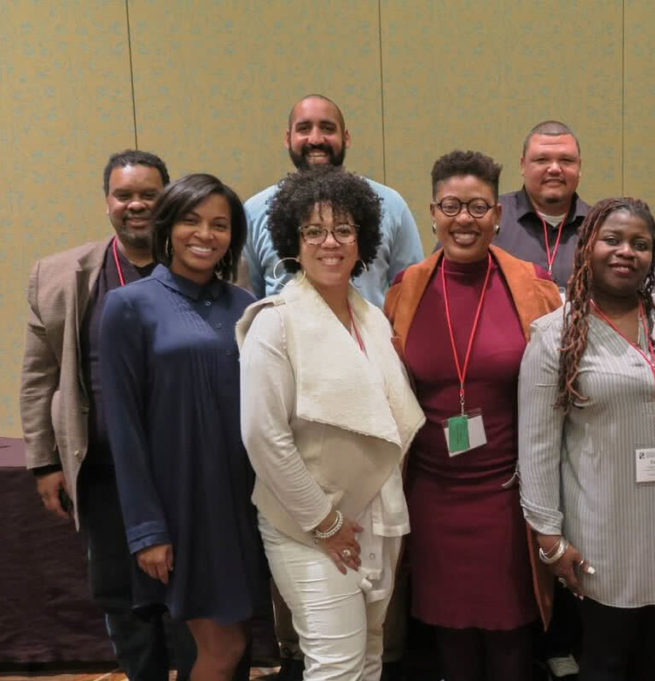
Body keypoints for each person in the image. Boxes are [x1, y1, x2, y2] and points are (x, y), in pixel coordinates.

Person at [518, 197, 655, 681]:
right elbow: (537, 446)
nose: (627, 252)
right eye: (613, 240)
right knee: (604, 659)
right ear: (587, 248)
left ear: (654, 255)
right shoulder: (556, 335)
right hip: (601, 532)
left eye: (640, 244)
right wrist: (550, 539)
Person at [238, 167, 424, 681]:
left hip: (373, 518)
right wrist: (324, 522)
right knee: (335, 668)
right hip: (308, 526)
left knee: (368, 660)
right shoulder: (273, 322)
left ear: (361, 239)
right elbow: (263, 436)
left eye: (343, 230)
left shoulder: (372, 316)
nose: (330, 242)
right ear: (291, 243)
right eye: (314, 231)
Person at [383, 150, 562, 681]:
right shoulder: (405, 290)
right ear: (432, 213)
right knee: (451, 642)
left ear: (499, 215)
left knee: (510, 642)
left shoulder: (534, 288)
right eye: (452, 206)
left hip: (509, 497)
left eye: (479, 206)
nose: (465, 219)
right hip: (433, 496)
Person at [19, 149, 196, 680]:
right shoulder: (59, 276)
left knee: (189, 595)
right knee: (122, 598)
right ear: (107, 203)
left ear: (169, 200)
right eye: (125, 195)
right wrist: (44, 463)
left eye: (150, 194)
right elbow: (38, 377)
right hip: (103, 470)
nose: (137, 204)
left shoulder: (203, 267)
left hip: (185, 468)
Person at [100, 174, 266, 681]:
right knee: (220, 647)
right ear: (168, 226)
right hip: (181, 506)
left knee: (236, 643)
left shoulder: (245, 306)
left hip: (242, 503)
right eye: (192, 220)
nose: (205, 234)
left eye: (219, 224)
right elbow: (123, 428)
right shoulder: (130, 306)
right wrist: (146, 530)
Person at [243, 93, 423, 307]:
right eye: (304, 129)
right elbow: (246, 299)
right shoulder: (254, 211)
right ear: (287, 138)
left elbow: (412, 293)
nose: (316, 139)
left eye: (328, 128)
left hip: (369, 337)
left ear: (346, 138)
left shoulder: (391, 205)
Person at [493, 120, 589, 292]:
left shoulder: (601, 226)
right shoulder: (489, 218)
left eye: (566, 160)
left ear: (579, 167)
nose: (554, 169)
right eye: (542, 160)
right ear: (523, 166)